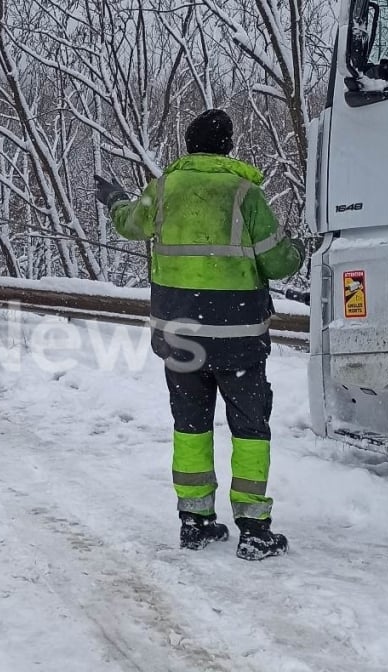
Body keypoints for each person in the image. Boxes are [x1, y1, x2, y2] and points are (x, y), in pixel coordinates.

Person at [95, 109, 304, 561]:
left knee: (190, 426)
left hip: (180, 337)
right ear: (228, 146)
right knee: (249, 428)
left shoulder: (164, 189)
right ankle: (253, 529)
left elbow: (130, 223)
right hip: (238, 338)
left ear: (189, 145)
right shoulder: (245, 193)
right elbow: (279, 262)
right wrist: (301, 247)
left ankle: (196, 522)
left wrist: (113, 198)